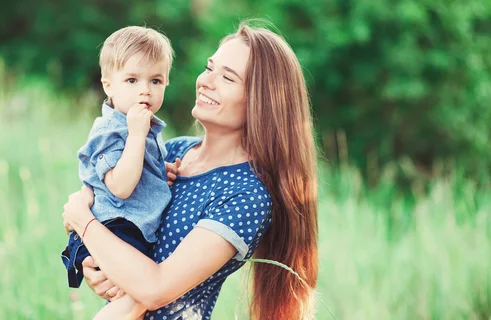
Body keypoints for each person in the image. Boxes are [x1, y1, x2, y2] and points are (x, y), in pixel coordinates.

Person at [63, 22, 319, 320]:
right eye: (210, 68)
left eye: (227, 77)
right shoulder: (172, 152)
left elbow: (156, 289)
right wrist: (95, 265)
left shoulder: (245, 195)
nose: (207, 81)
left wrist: (83, 221)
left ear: (260, 102)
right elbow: (105, 199)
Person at [61, 26, 175, 319]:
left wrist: (159, 172)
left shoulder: (140, 125)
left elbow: (138, 173)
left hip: (129, 227)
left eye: (156, 80)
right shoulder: (111, 131)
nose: (145, 90)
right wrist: (137, 136)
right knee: (133, 297)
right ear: (108, 85)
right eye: (132, 79)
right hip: (117, 227)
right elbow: (120, 186)